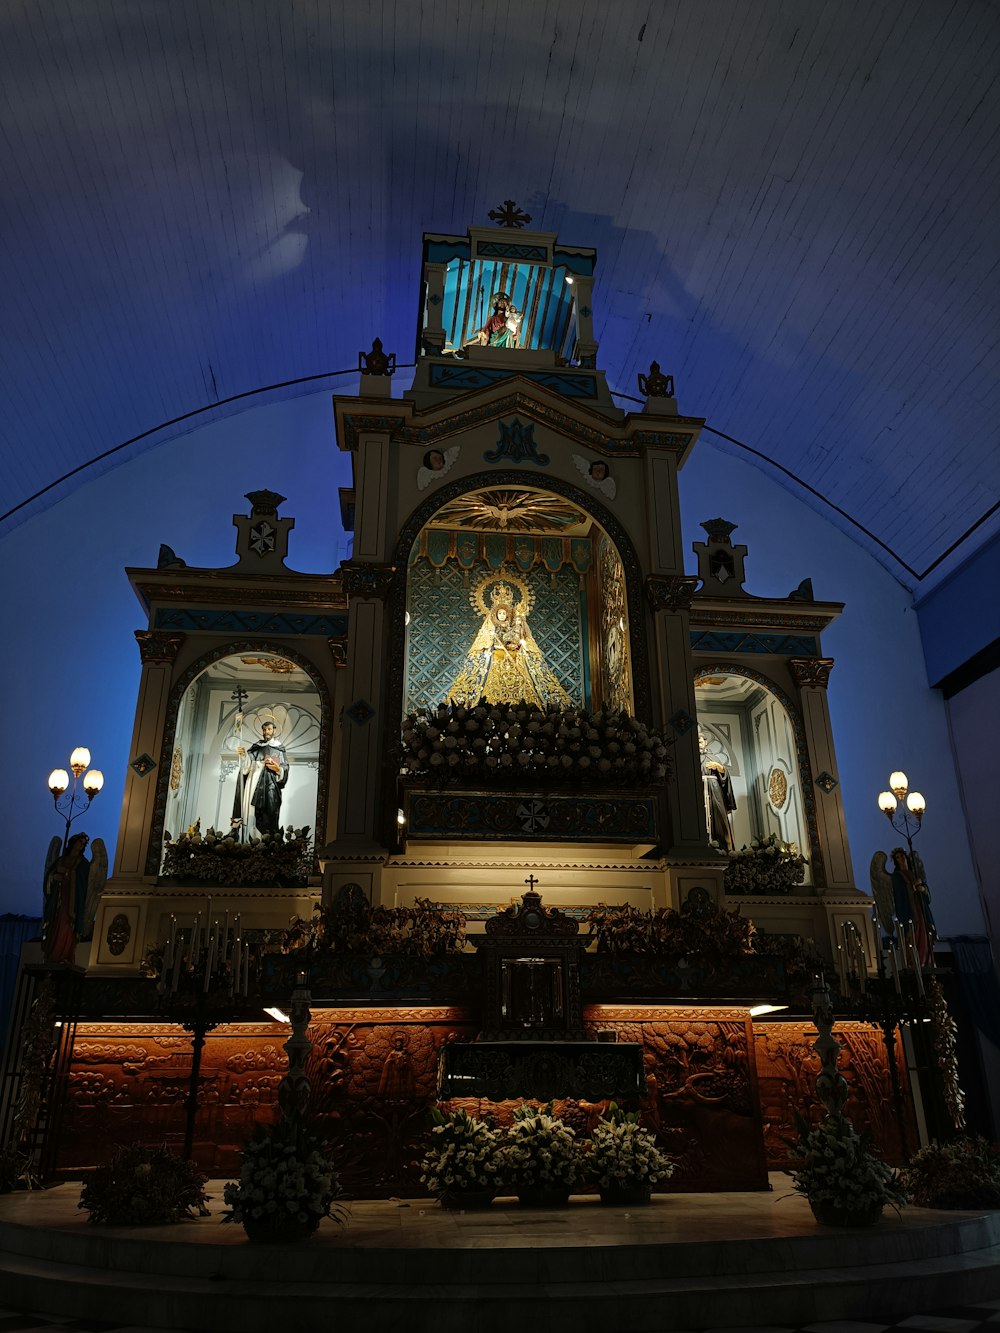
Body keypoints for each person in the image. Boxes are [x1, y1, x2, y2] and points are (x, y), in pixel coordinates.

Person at [447, 572, 570, 709]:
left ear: (508, 614)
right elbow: (485, 643)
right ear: (495, 614)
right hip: (496, 659)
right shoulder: (490, 627)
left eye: (504, 613)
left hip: (515, 658)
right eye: (499, 613)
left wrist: (517, 638)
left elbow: (521, 639)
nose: (502, 615)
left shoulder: (515, 624)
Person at [42, 832, 107, 964]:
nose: (81, 845)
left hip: (71, 901)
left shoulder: (82, 863)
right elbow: (48, 879)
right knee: (55, 924)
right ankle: (52, 955)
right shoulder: (60, 860)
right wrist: (54, 876)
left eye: (83, 844)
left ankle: (65, 954)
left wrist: (67, 873)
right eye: (79, 842)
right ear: (73, 842)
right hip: (58, 899)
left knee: (67, 924)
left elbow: (83, 883)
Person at [232, 718, 288, 838]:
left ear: (274, 730)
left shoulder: (279, 748)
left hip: (270, 787)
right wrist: (244, 756)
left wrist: (278, 769)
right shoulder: (256, 747)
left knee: (269, 813)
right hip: (253, 783)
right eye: (264, 729)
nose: (266, 732)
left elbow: (284, 768)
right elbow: (246, 768)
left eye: (269, 729)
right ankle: (250, 840)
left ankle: (266, 841)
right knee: (250, 812)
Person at [700, 733, 737, 850]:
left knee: (719, 815)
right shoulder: (691, 758)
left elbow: (725, 776)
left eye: (700, 741)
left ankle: (722, 846)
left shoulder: (714, 758)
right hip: (700, 789)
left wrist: (720, 768)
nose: (699, 744)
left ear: (705, 742)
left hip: (714, 789)